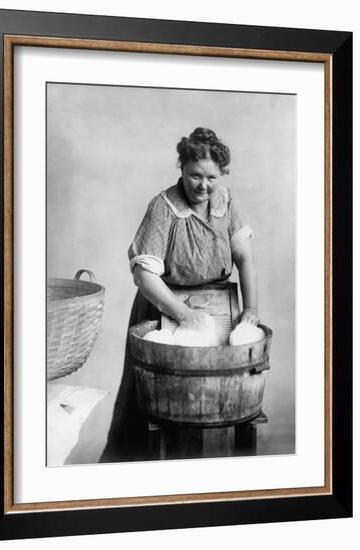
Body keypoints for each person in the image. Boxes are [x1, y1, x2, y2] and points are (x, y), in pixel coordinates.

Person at [100, 127, 259, 463]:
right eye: (194, 176)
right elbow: (145, 277)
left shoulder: (225, 202)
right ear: (181, 167)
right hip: (164, 307)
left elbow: (244, 258)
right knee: (155, 403)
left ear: (222, 174)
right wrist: (184, 316)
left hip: (218, 304)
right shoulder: (163, 208)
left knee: (217, 393)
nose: (202, 186)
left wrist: (251, 310)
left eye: (211, 177)